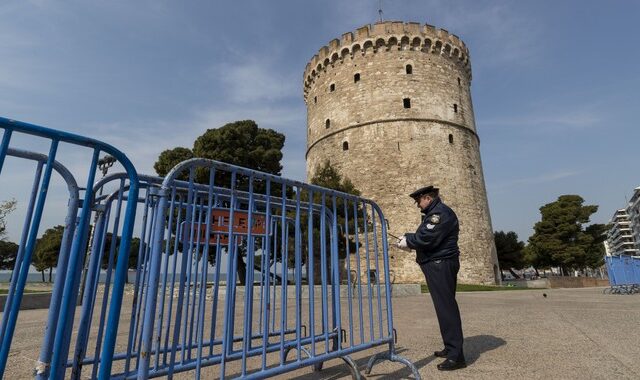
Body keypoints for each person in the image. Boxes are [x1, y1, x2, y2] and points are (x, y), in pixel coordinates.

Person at [397, 185, 466, 371]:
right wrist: (411, 238)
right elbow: (424, 235)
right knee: (444, 307)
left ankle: (456, 356)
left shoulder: (439, 213)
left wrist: (409, 241)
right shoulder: (435, 213)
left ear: (427, 198)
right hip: (438, 263)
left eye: (418, 201)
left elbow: (426, 237)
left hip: (440, 264)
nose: (418, 205)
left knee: (446, 308)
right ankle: (451, 347)